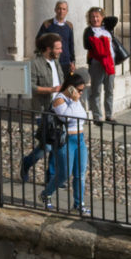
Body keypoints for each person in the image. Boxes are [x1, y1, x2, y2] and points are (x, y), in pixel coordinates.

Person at [17, 31, 64, 181]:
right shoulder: (34, 64)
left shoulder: (56, 62)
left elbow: (61, 81)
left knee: (57, 144)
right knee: (46, 146)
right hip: (43, 110)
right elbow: (30, 86)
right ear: (48, 49)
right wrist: (51, 90)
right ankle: (26, 163)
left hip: (59, 109)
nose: (61, 51)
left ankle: (51, 178)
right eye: (58, 48)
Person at [43, 72, 92, 211]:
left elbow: (82, 115)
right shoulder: (60, 99)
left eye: (82, 90)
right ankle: (46, 194)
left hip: (80, 139)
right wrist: (75, 101)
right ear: (71, 87)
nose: (81, 93)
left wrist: (76, 101)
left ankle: (79, 203)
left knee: (80, 174)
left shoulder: (75, 99)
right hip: (66, 140)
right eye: (79, 90)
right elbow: (66, 118)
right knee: (64, 174)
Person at [82, 5, 120, 122]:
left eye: (97, 16)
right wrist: (100, 43)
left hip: (110, 62)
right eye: (92, 17)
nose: (95, 19)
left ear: (102, 17)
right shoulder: (89, 31)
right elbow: (87, 45)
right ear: (89, 18)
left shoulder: (107, 28)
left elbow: (114, 19)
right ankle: (97, 116)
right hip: (97, 63)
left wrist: (103, 17)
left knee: (109, 90)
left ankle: (109, 115)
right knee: (97, 90)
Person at [35, 1, 77, 77]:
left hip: (65, 62)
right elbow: (39, 41)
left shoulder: (69, 25)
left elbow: (71, 44)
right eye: (59, 8)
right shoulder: (47, 24)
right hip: (51, 60)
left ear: (67, 11)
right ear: (55, 10)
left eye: (64, 9)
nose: (61, 11)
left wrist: (72, 61)